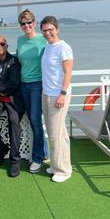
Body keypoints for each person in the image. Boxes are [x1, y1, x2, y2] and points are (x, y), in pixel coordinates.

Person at [40, 16, 73, 182]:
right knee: (59, 132)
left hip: (58, 95)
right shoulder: (48, 46)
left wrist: (63, 93)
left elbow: (68, 73)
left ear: (57, 29)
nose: (48, 33)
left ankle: (63, 170)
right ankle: (56, 164)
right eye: (45, 30)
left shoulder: (63, 48)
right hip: (46, 94)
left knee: (54, 134)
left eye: (50, 29)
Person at [0, 35, 23, 177]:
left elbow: (13, 84)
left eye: (2, 44)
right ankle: (1, 148)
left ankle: (15, 161)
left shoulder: (14, 61)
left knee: (13, 121)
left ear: (7, 46)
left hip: (13, 99)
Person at [16, 9, 47, 173]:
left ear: (34, 23)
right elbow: (17, 61)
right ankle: (44, 151)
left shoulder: (43, 39)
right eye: (23, 23)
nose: (26, 25)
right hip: (23, 85)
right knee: (30, 119)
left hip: (37, 85)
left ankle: (37, 158)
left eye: (29, 22)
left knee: (35, 119)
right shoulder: (20, 40)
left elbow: (55, 56)